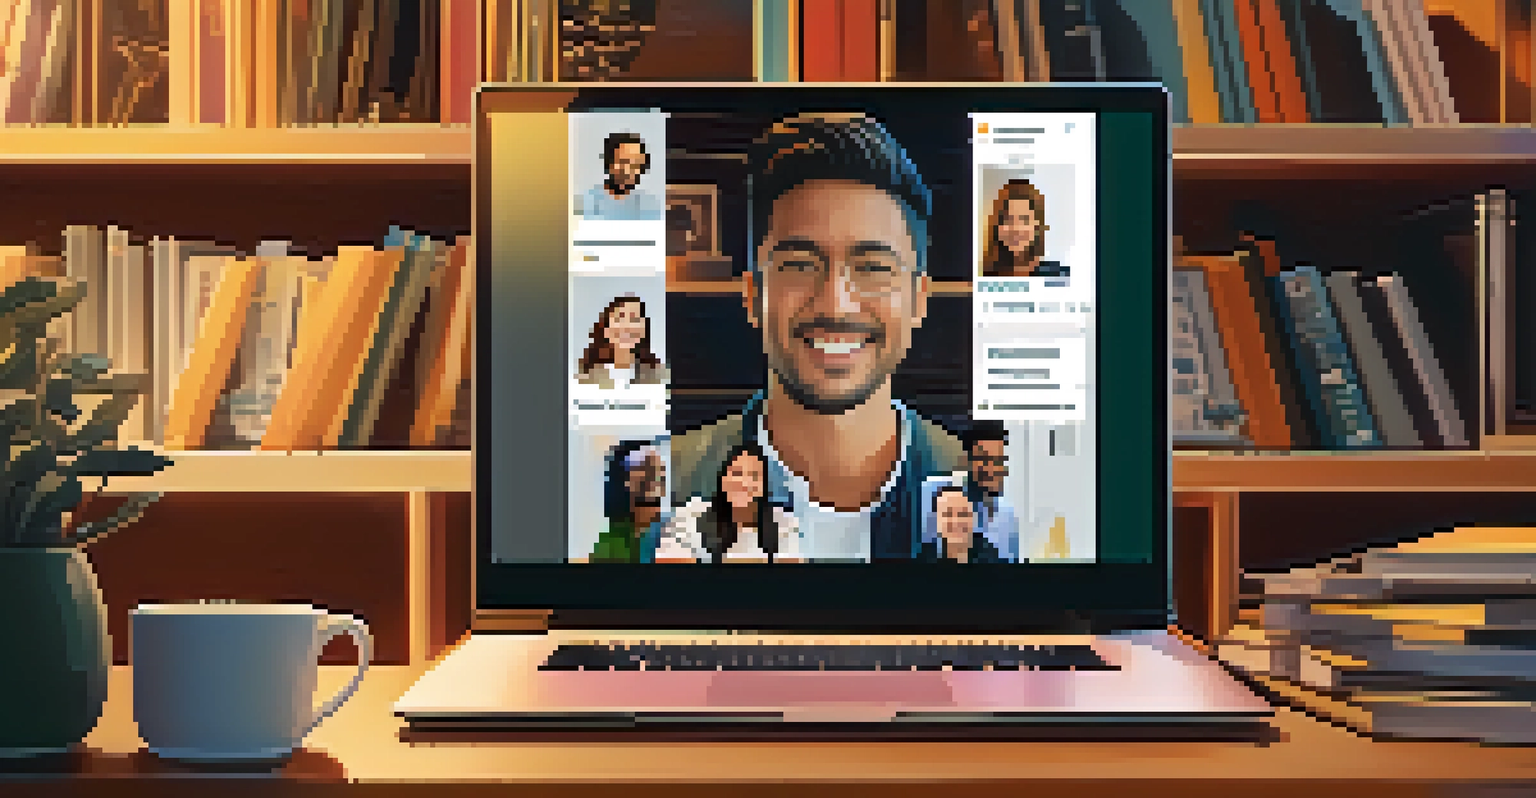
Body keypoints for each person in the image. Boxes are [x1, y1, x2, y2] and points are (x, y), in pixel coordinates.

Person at [670, 113, 966, 562]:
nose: (836, 304)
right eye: (799, 264)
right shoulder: (668, 485)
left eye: (873, 268)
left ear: (919, 299)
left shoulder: (978, 483)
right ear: (752, 295)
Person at [660, 441, 802, 563]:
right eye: (736, 473)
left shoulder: (784, 525)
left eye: (754, 476)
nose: (745, 483)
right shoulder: (691, 516)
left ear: (764, 486)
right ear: (722, 480)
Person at [921, 422, 1022, 562]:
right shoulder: (931, 492)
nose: (992, 469)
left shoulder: (1007, 516)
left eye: (1000, 461)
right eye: (984, 459)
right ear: (967, 460)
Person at [589, 442, 669, 563]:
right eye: (645, 466)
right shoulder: (608, 545)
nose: (655, 475)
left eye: (660, 470)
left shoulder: (671, 530)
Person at [576, 295, 669, 388]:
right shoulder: (587, 375)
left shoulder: (658, 374)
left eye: (634, 319)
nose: (627, 326)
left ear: (643, 330)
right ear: (606, 329)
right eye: (619, 318)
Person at [980, 179, 1067, 278]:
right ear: (997, 226)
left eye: (1025, 219)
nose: (1015, 228)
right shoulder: (982, 276)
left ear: (1037, 226)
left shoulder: (1058, 277)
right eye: (1008, 219)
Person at [579, 131, 662, 221]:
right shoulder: (588, 202)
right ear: (609, 164)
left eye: (636, 163)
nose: (629, 170)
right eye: (623, 161)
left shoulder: (649, 204)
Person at [921, 484, 1002, 563]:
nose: (956, 521)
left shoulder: (990, 554)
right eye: (948, 514)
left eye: (963, 514)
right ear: (936, 520)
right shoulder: (925, 556)